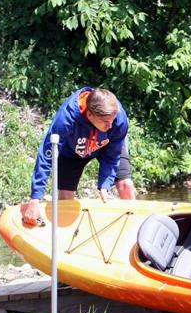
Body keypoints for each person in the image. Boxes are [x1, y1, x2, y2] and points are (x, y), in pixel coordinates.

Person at [20, 87, 136, 226]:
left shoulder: (119, 120)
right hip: (72, 152)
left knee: (125, 185)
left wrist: (105, 185)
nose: (111, 126)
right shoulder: (66, 118)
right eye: (106, 122)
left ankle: (134, 227)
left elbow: (113, 156)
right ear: (90, 115)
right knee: (65, 199)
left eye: (113, 120)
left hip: (106, 146)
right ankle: (66, 234)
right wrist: (35, 199)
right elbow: (46, 156)